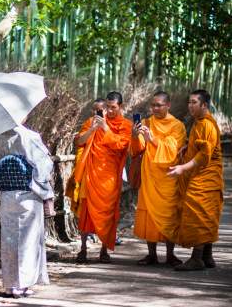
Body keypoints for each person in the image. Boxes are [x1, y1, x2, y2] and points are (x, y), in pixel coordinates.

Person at [0, 122, 54, 298]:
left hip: (7, 194)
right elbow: (44, 165)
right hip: (29, 193)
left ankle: (10, 285)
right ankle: (22, 285)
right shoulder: (31, 137)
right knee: (28, 240)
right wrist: (45, 192)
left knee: (9, 240)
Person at [168, 89, 223, 271]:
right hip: (202, 176)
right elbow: (198, 146)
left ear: (204, 105)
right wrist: (187, 147)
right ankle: (207, 256)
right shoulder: (199, 122)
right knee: (206, 215)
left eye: (194, 102)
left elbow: (204, 156)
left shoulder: (206, 125)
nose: (190, 106)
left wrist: (183, 167)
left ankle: (196, 258)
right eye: (189, 102)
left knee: (199, 213)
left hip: (206, 176)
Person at [74, 91, 132, 263]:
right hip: (91, 173)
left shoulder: (125, 125)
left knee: (108, 213)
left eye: (113, 107)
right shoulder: (92, 121)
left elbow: (121, 146)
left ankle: (104, 250)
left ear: (120, 106)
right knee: (86, 213)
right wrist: (93, 128)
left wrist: (106, 128)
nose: (110, 110)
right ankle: (83, 248)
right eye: (107, 106)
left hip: (109, 177)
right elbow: (79, 142)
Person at [131, 91, 187, 266]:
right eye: (153, 105)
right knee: (148, 214)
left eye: (159, 105)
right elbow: (138, 149)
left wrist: (152, 139)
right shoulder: (147, 122)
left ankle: (170, 254)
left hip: (168, 176)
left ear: (168, 105)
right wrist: (135, 135)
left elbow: (173, 150)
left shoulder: (177, 126)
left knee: (170, 214)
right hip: (149, 174)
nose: (155, 108)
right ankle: (152, 254)